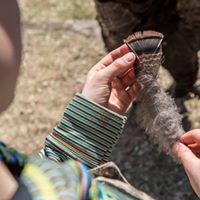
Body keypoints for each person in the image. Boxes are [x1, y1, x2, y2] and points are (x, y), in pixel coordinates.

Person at [94, 0, 200, 99]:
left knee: (182, 54)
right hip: (120, 7)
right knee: (130, 63)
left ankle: (183, 90)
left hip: (170, 9)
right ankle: (141, 100)